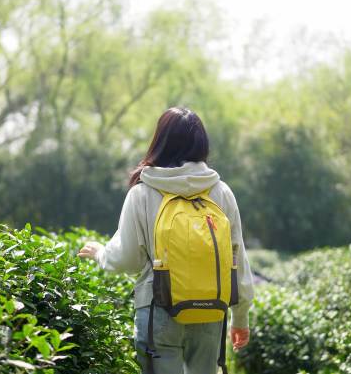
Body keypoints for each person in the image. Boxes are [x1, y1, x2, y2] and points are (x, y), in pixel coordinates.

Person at [78, 107, 254, 374]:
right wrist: (240, 317)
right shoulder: (220, 192)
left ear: (160, 141)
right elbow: (236, 258)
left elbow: (126, 259)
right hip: (211, 313)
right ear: (201, 143)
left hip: (158, 312)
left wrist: (100, 253)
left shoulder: (144, 192)